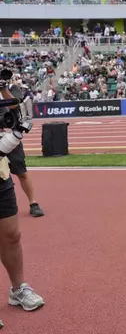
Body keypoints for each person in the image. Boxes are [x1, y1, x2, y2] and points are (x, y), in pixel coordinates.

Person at [0, 77, 45, 319]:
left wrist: (16, 132)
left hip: (0, 173)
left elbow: (15, 114)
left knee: (11, 236)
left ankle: (18, 290)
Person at [4, 77, 43, 218]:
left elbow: (16, 105)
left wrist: (2, 88)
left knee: (21, 172)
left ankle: (33, 203)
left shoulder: (10, 87)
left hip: (9, 136)